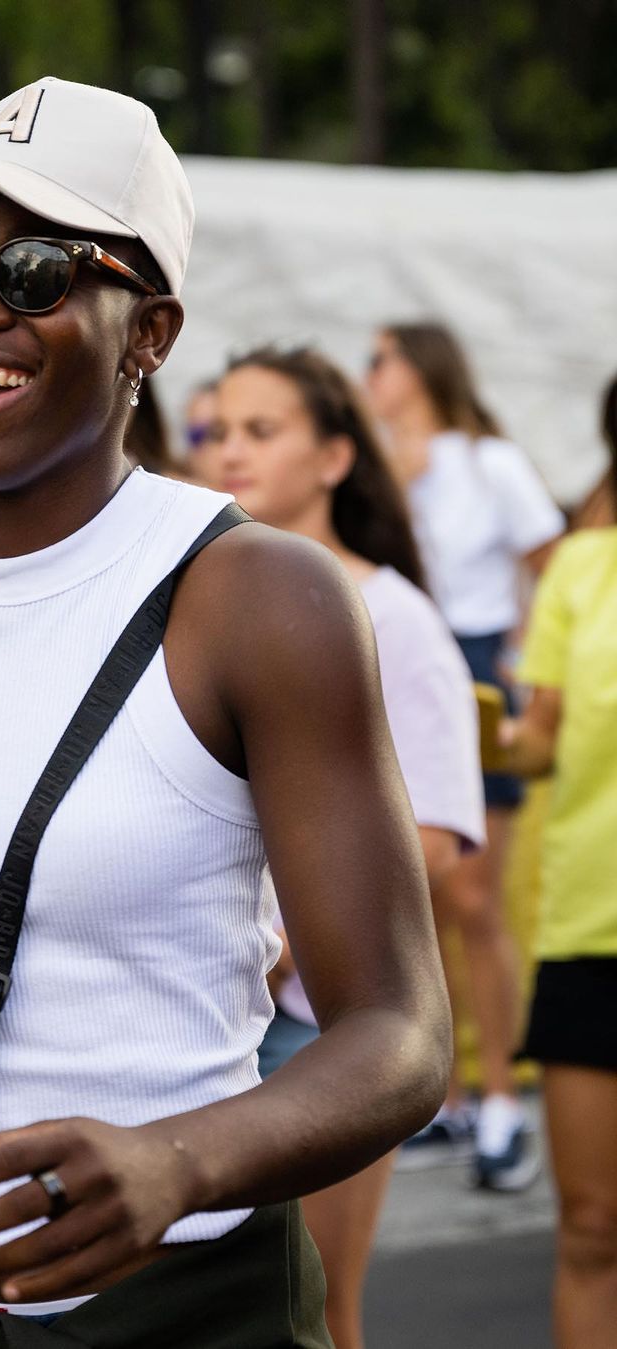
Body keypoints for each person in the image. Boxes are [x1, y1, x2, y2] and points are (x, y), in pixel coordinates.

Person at [0, 77, 451, 1346]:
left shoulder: (257, 598)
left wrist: (178, 1162)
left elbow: (400, 1034)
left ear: (150, 330)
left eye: (33, 268)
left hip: (173, 1306)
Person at [203, 345, 485, 1349]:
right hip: (189, 1019)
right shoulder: (178, 599)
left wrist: (282, 933)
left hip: (321, 1030)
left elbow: (442, 836)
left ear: (333, 457)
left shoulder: (395, 616)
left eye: (260, 430)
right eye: (215, 430)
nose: (229, 450)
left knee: (314, 1318)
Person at [365, 320, 564, 1189]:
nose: (369, 374)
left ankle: (503, 1106)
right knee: (420, 890)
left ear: (420, 369)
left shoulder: (488, 461)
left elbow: (549, 557)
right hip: (403, 660)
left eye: (381, 360)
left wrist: (529, 650)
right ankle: (443, 1100)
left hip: (475, 661)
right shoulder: (381, 456)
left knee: (475, 895)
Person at [501, 372, 617, 1347]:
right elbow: (539, 741)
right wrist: (475, 733)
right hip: (591, 924)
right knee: (591, 1225)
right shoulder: (583, 567)